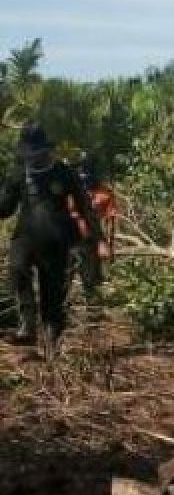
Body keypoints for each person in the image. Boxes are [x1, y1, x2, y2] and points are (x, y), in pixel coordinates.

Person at [0, 125, 102, 357]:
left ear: (46, 150)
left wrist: (98, 239)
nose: (33, 158)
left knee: (52, 294)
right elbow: (5, 209)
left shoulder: (64, 173)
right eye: (29, 154)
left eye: (36, 153)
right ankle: (27, 324)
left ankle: (51, 347)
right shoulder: (18, 174)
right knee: (17, 270)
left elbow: (85, 208)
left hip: (56, 241)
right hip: (24, 237)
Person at [69, 153, 118, 304]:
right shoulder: (69, 192)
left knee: (92, 282)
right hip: (68, 240)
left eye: (87, 170)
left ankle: (93, 313)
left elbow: (111, 222)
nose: (84, 174)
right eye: (81, 170)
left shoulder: (104, 193)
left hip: (92, 241)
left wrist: (108, 246)